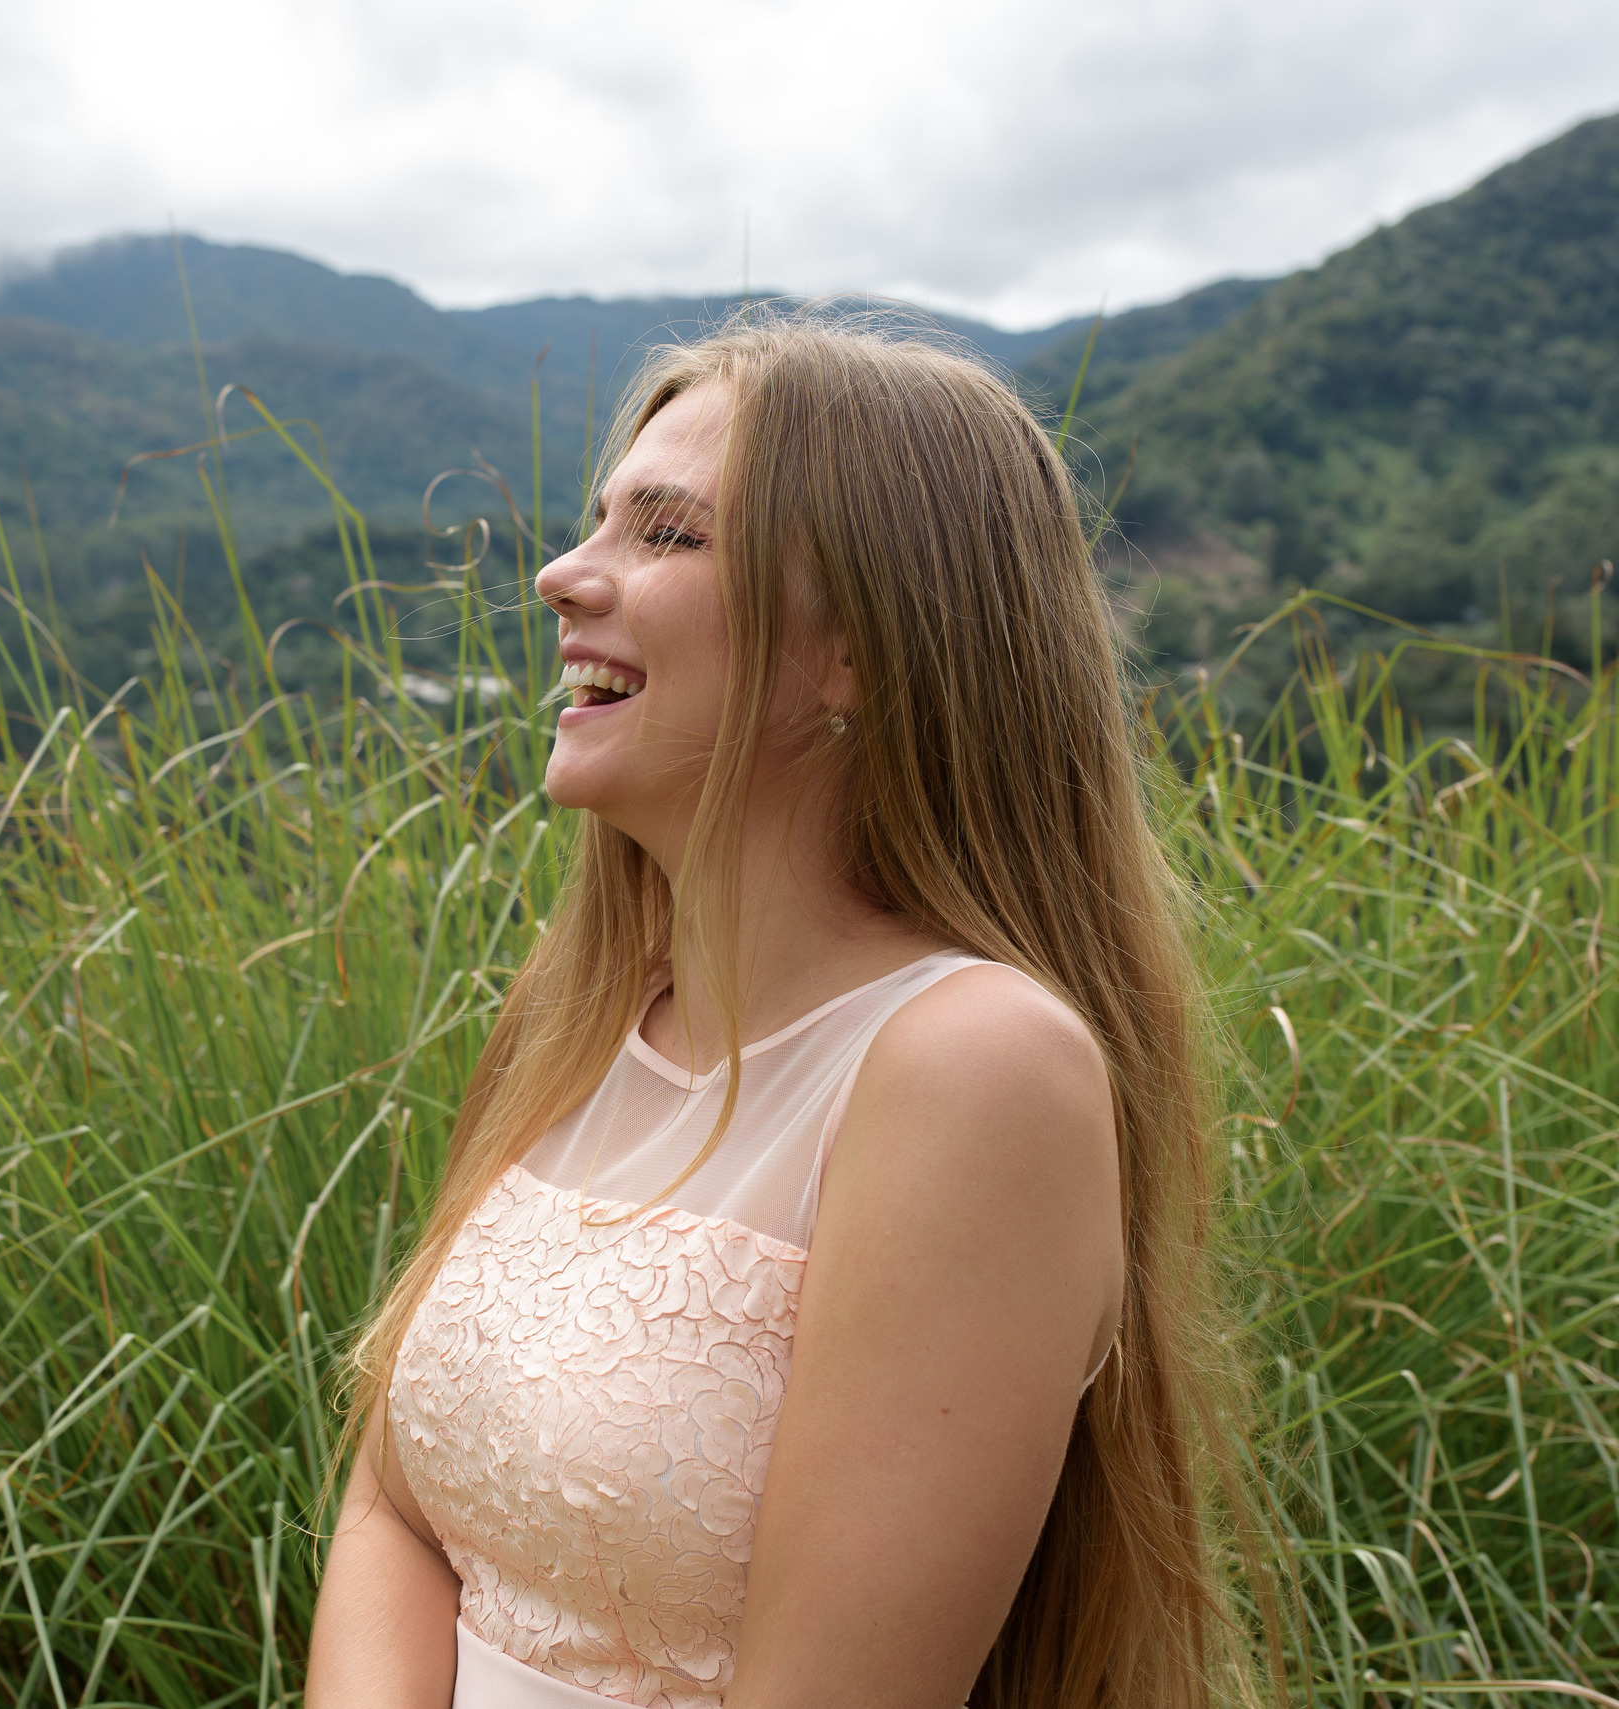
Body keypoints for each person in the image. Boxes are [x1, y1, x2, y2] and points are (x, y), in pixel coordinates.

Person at [303, 314, 1244, 1709]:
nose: (563, 575)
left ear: (857, 644)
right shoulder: (580, 1016)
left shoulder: (975, 1070)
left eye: (666, 535)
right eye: (597, 522)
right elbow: (394, 1508)